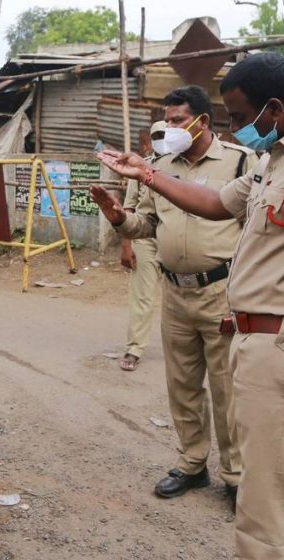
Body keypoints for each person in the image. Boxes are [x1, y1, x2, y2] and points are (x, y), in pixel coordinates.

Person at [90, 53, 284, 560]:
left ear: (273, 108)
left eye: (237, 116)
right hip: (277, 345)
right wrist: (147, 175)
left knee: (264, 508)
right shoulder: (278, 157)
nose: (233, 128)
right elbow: (215, 204)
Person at [98, 86, 255, 506]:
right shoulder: (160, 166)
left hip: (222, 292)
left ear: (203, 121)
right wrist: (120, 219)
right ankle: (192, 463)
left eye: (177, 119)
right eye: (166, 120)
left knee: (227, 390)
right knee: (182, 385)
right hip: (176, 292)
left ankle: (236, 475)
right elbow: (148, 224)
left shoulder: (241, 162)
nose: (170, 128)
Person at [118, 120, 166, 372]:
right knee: (142, 297)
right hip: (145, 239)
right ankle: (134, 348)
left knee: (180, 296)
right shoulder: (139, 169)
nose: (161, 139)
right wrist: (127, 246)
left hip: (176, 239)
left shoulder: (181, 168)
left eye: (164, 135)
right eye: (156, 135)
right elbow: (129, 208)